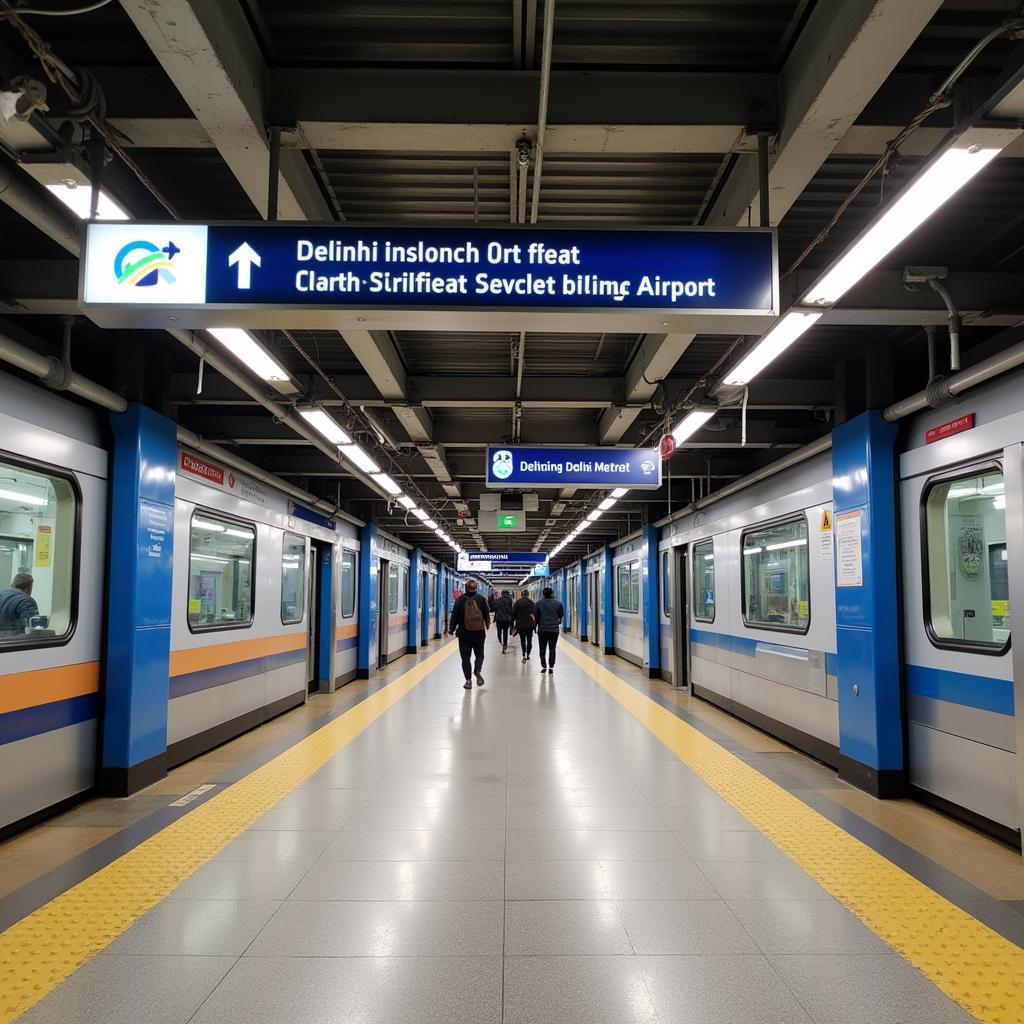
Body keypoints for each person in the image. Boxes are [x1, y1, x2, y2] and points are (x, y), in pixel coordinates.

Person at [448, 579, 490, 688]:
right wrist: (487, 625)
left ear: (466, 587)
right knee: (479, 655)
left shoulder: (460, 600)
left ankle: (468, 681)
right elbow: (486, 614)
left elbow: (454, 615)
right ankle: (477, 671)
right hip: (479, 634)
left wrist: (451, 628)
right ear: (476, 588)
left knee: (465, 658)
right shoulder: (481, 599)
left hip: (464, 635)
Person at [535, 586, 564, 674]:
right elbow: (560, 616)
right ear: (552, 593)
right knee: (552, 648)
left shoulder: (538, 603)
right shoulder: (558, 603)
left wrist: (536, 626)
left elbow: (536, 616)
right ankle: (551, 667)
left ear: (543, 594)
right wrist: (557, 622)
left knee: (542, 648)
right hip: (554, 630)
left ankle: (544, 666)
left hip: (542, 629)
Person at [0, 573, 38, 637]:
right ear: (29, 587)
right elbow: (32, 628)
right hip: (15, 642)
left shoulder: (1, 594)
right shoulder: (26, 601)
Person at [511, 589, 537, 662]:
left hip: (520, 624)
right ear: (528, 595)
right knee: (529, 640)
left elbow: (513, 613)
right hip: (530, 624)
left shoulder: (518, 602)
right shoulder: (532, 603)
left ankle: (523, 654)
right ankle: (528, 655)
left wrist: (512, 624)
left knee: (522, 640)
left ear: (521, 595)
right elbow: (535, 613)